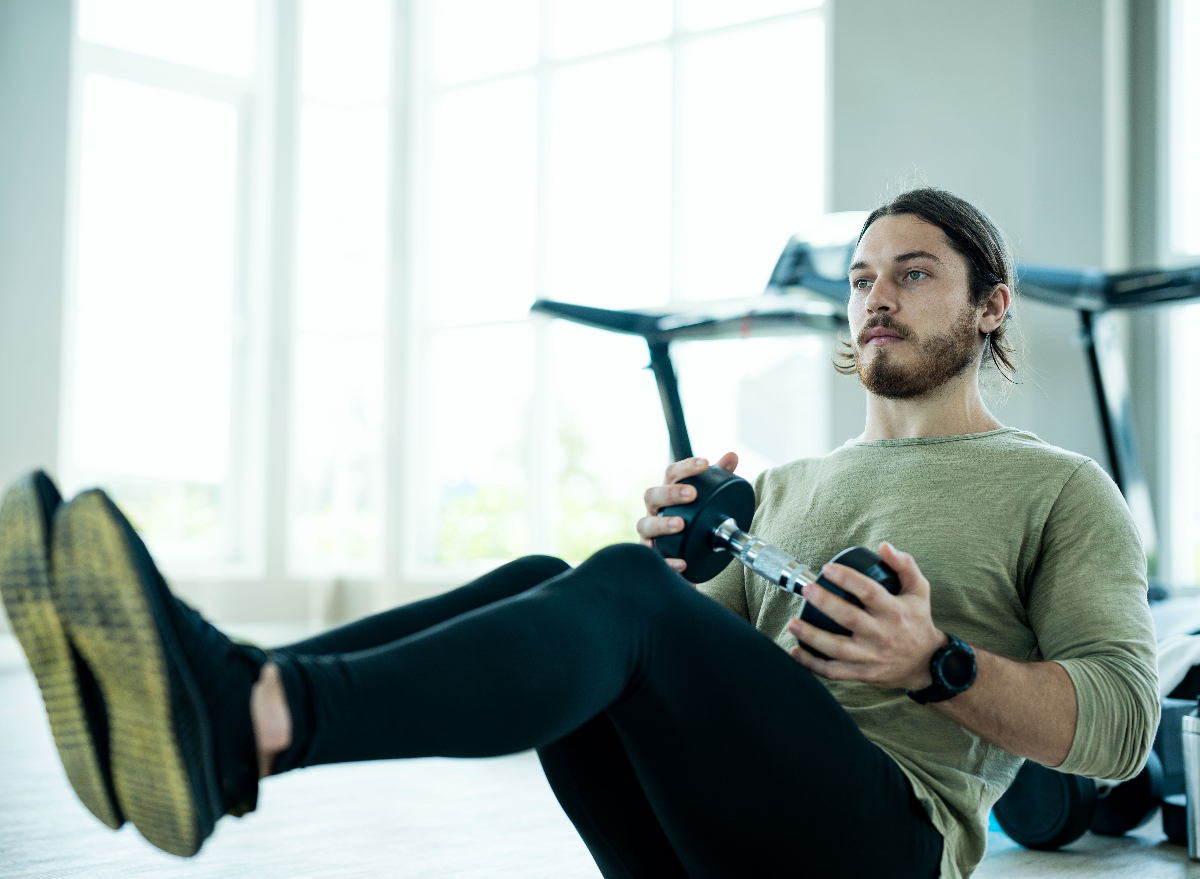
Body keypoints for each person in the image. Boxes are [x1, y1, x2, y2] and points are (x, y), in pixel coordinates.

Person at [0, 188, 1158, 879]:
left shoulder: (1057, 491)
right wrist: (679, 571)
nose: (876, 300)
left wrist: (936, 663)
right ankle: (243, 694)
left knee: (609, 590)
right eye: (861, 279)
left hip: (884, 848)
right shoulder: (797, 484)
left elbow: (1116, 727)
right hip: (718, 840)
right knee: (553, 574)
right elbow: (682, 679)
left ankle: (247, 715)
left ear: (991, 304)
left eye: (914, 273)